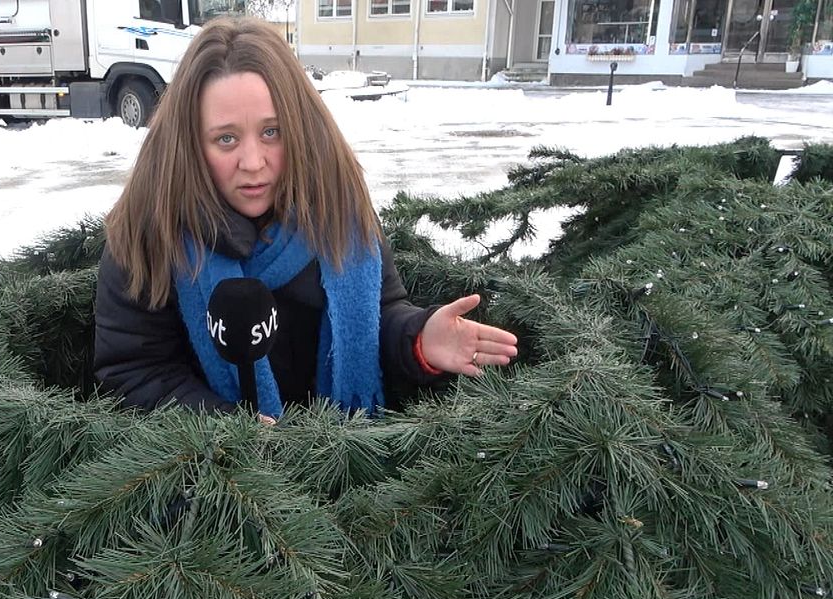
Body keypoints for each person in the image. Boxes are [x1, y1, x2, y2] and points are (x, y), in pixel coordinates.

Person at [94, 17, 518, 422]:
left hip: (340, 465)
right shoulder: (149, 232)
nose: (253, 162)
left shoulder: (338, 209)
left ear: (297, 128)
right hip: (222, 483)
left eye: (271, 132)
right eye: (226, 139)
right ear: (190, 143)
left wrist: (419, 338)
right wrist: (231, 431)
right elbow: (134, 373)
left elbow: (379, 315)